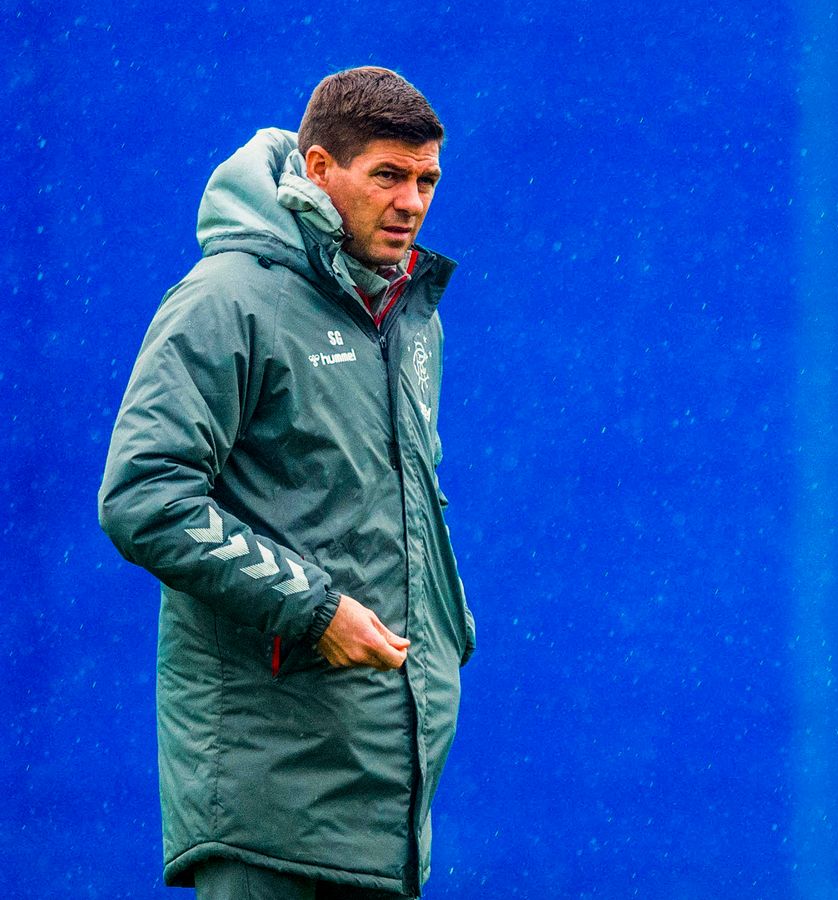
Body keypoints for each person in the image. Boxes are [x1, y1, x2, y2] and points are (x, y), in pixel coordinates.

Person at [98, 67, 474, 899]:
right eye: (386, 175)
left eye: (426, 179)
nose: (411, 202)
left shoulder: (411, 313)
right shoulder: (226, 299)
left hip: (380, 800)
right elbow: (143, 496)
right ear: (317, 168)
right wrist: (314, 608)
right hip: (269, 800)